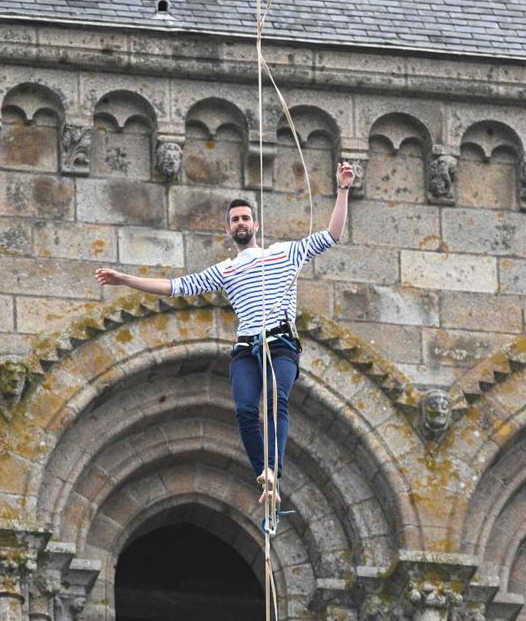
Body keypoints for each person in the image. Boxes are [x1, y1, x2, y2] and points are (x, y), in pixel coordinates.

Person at [95, 162, 355, 505]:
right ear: (228, 230)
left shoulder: (285, 253)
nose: (241, 223)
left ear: (256, 225)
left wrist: (343, 190)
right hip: (246, 348)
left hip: (281, 344)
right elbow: (176, 286)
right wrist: (126, 279)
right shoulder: (227, 270)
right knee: (246, 410)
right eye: (235, 220)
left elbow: (332, 234)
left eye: (246, 218)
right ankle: (263, 472)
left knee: (277, 400)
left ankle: (274, 470)